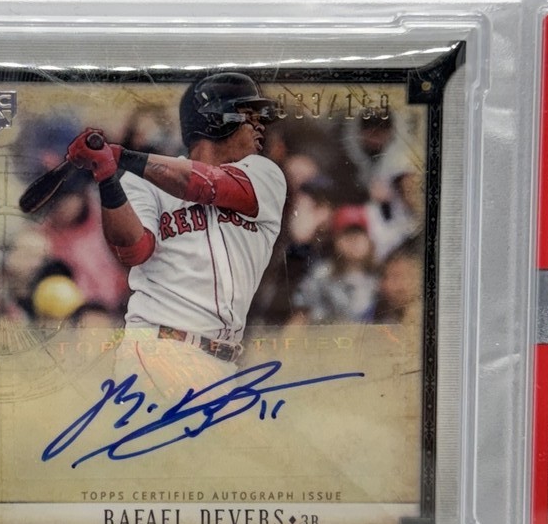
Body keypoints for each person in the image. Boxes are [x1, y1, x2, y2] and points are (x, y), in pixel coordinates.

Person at [66, 71, 287, 396]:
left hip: (222, 362)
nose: (260, 126)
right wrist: (107, 177)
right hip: (158, 349)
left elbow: (206, 184)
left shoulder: (265, 175)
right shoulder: (140, 182)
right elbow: (135, 250)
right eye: (249, 116)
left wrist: (123, 156)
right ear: (216, 120)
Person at [292, 205, 379, 324]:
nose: (353, 240)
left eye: (359, 234)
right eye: (347, 234)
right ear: (336, 241)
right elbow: (300, 318)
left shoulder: (380, 278)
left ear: (368, 240)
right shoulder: (321, 275)